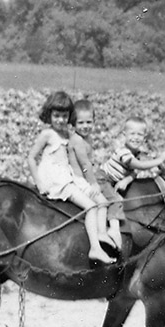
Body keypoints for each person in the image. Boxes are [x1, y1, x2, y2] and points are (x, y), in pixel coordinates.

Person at [27, 91, 117, 264]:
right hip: (56, 180)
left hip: (68, 177)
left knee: (101, 201)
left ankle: (102, 234)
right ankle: (95, 248)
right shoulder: (47, 134)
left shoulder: (69, 135)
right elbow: (31, 158)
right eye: (56, 116)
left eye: (64, 116)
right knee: (91, 207)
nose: (60, 120)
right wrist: (39, 182)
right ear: (49, 115)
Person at [96, 116, 165, 238]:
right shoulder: (123, 152)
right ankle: (113, 230)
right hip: (103, 179)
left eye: (139, 135)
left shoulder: (136, 153)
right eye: (132, 134)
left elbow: (135, 172)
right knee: (116, 201)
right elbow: (139, 166)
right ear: (124, 135)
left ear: (144, 138)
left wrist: (127, 179)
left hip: (112, 181)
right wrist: (159, 159)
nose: (135, 138)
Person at [68, 98, 124, 250]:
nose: (85, 126)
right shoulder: (77, 140)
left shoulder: (87, 139)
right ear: (73, 123)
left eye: (88, 122)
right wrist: (93, 184)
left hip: (86, 176)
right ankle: (101, 232)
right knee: (102, 202)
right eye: (80, 123)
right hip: (80, 179)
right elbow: (85, 165)